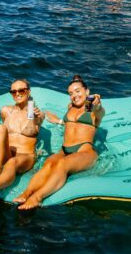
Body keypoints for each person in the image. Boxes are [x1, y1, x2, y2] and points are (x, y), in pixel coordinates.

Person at [14, 75, 104, 210]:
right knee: (49, 163)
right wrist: (59, 121)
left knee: (62, 164)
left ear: (87, 91)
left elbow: (98, 110)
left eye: (78, 91)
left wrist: (96, 103)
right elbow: (72, 123)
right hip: (64, 149)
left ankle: (37, 197)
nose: (74, 95)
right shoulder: (71, 106)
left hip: (84, 150)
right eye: (71, 93)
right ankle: (27, 193)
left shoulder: (90, 108)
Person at [0, 80, 44, 196]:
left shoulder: (36, 114)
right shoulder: (6, 111)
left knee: (12, 162)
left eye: (21, 90)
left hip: (25, 157)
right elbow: (3, 132)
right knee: (0, 128)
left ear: (28, 91)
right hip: (7, 153)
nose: (17, 94)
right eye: (13, 92)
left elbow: (38, 121)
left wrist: (34, 116)